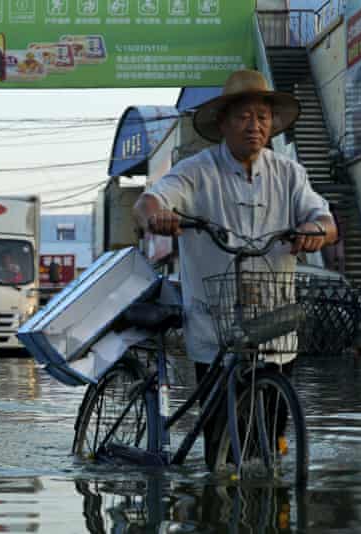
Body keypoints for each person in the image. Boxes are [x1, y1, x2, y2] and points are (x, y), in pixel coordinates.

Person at [133, 70, 338, 468]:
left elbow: (324, 219)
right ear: (223, 123)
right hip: (215, 318)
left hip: (273, 320)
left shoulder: (289, 173)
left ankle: (270, 504)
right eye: (244, 116)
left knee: (274, 436)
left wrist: (315, 231)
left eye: (262, 117)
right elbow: (149, 201)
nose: (255, 125)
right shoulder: (197, 170)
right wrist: (157, 217)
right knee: (220, 442)